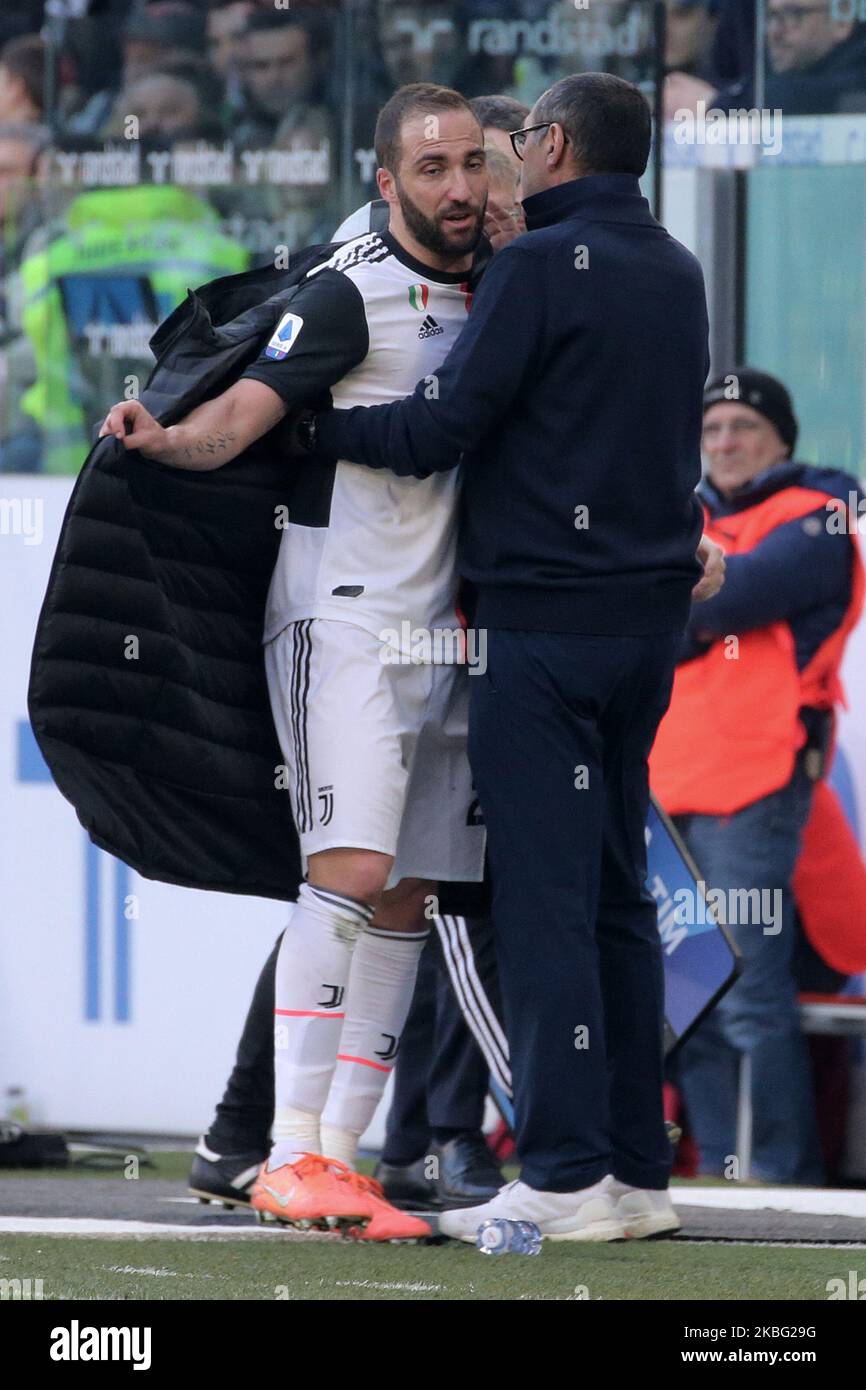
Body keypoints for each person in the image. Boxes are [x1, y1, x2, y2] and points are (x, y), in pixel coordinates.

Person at [292, 71, 722, 1241]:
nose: (501, 163)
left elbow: (437, 428)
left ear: (552, 145)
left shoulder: (535, 266)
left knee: (538, 909)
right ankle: (635, 1175)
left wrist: (307, 422)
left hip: (544, 625)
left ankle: (566, 1173)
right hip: (643, 629)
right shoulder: (677, 266)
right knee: (615, 900)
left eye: (516, 141)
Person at [98, 81, 491, 1241]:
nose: (459, 187)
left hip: (446, 631)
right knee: (352, 870)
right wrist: (170, 438)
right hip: (341, 616)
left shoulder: (503, 289)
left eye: (471, 163)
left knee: (412, 893)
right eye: (431, 169)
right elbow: (247, 412)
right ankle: (280, 1152)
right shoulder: (346, 292)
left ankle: (339, 1156)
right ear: (387, 183)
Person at [650, 368, 865, 1184]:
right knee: (690, 997)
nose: (725, 442)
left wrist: (684, 607)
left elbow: (734, 599)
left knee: (747, 987)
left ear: (783, 438)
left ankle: (781, 1177)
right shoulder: (687, 517)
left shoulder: (821, 507)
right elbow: (663, 614)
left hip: (758, 787)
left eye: (743, 425)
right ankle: (726, 1171)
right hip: (669, 788)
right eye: (711, 428)